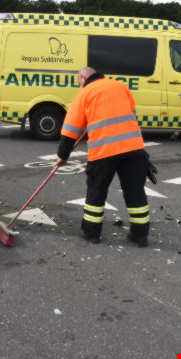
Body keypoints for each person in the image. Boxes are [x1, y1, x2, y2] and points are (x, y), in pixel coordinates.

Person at [56, 67, 150, 247]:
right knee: (135, 192)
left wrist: (63, 156)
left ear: (83, 77)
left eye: (79, 83)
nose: (80, 86)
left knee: (96, 192)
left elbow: (70, 130)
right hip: (133, 149)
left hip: (103, 152)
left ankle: (91, 234)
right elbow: (132, 115)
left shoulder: (85, 93)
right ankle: (140, 236)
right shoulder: (119, 86)